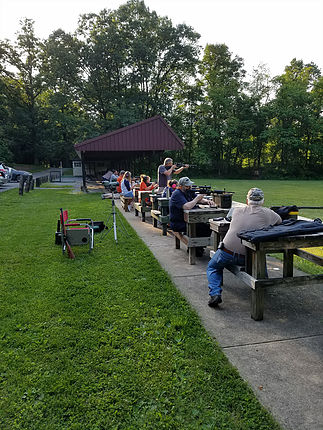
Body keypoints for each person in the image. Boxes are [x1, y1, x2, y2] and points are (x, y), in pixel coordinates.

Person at [206, 188, 282, 308]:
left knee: (213, 267)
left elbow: (229, 220)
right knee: (260, 257)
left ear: (247, 200)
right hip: (248, 256)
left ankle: (215, 293)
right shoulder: (269, 213)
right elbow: (279, 222)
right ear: (262, 201)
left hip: (226, 252)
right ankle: (264, 282)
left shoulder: (236, 211)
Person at [169, 177, 215, 257]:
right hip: (179, 222)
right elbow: (187, 206)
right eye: (187, 186)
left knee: (207, 226)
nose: (189, 187)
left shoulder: (188, 192)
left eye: (190, 185)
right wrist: (197, 198)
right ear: (180, 186)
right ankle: (196, 247)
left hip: (188, 220)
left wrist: (207, 202)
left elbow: (199, 199)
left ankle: (199, 247)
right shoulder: (177, 194)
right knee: (203, 227)